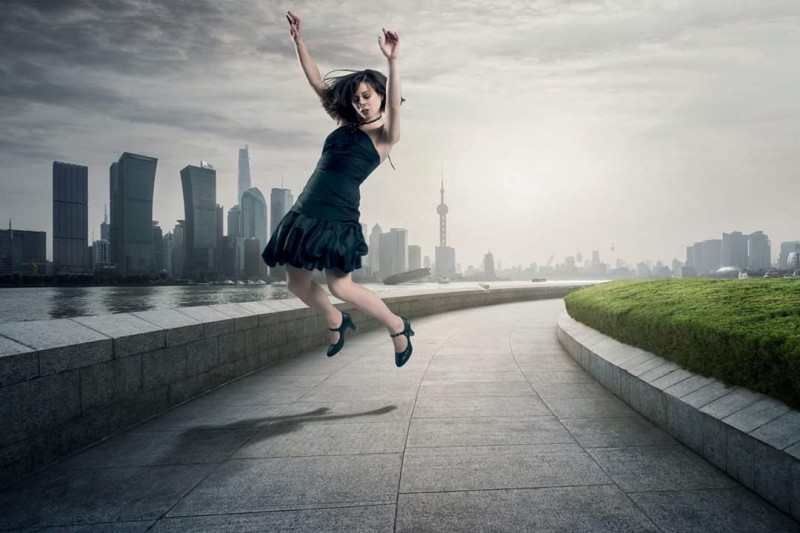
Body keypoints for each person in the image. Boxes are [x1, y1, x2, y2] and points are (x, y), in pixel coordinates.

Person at [262, 11, 414, 367]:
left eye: (367, 96)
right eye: (357, 98)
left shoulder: (384, 138)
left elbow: (394, 103)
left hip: (337, 215)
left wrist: (392, 61)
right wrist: (299, 42)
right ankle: (336, 320)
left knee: (341, 286)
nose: (362, 103)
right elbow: (318, 84)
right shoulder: (342, 122)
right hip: (305, 210)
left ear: (378, 95)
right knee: (296, 284)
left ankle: (397, 326)